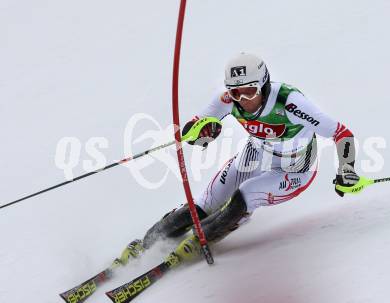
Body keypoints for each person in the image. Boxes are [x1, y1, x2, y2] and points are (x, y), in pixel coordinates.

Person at [117, 52, 361, 264]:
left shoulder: (289, 102)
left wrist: (347, 169)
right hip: (255, 154)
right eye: (236, 93)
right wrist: (204, 133)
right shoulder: (228, 101)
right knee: (203, 205)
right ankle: (148, 242)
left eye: (250, 92)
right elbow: (191, 132)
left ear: (263, 85)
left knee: (244, 195)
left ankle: (201, 238)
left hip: (293, 169)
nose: (243, 100)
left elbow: (341, 133)